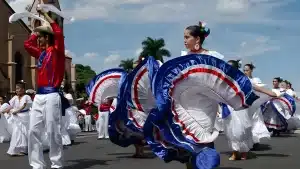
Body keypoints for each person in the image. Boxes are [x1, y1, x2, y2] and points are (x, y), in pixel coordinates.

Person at [24, 7, 66, 169]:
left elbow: (58, 31)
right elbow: (27, 44)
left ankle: (56, 164)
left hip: (52, 95)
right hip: (39, 96)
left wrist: (46, 15)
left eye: (40, 37)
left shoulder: (57, 51)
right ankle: (37, 164)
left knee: (52, 130)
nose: (37, 40)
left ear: (47, 38)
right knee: (33, 130)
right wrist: (35, 30)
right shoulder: (40, 54)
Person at [7, 81, 32, 156]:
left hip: (25, 116)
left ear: (23, 90)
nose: (17, 90)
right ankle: (17, 148)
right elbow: (10, 106)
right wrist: (5, 110)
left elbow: (24, 105)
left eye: (19, 89)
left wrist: (16, 111)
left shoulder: (27, 97)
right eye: (16, 89)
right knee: (17, 132)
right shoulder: (15, 97)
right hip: (17, 117)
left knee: (24, 132)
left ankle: (24, 149)